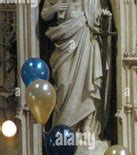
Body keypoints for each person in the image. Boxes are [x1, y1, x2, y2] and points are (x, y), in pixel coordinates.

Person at [41, 0, 112, 136]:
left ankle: (86, 125)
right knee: (64, 83)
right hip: (64, 38)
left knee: (87, 81)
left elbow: (98, 18)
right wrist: (54, 8)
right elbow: (44, 14)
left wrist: (104, 17)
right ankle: (64, 128)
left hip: (85, 33)